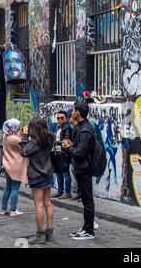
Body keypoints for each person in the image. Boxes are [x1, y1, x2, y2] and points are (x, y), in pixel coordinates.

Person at [62, 101, 96, 240]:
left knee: (87, 200)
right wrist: (72, 145)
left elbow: (80, 153)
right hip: (81, 168)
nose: (72, 112)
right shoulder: (83, 127)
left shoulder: (85, 130)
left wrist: (68, 148)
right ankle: (86, 227)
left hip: (84, 169)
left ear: (78, 113)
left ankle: (89, 231)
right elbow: (80, 147)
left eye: (74, 109)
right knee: (86, 200)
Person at [19, 117, 55, 244]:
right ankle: (49, 231)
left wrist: (24, 136)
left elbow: (23, 152)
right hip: (48, 173)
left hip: (36, 175)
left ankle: (40, 234)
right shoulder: (50, 138)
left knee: (39, 205)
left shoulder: (34, 143)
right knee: (48, 203)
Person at [0, 119, 27, 216]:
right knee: (15, 188)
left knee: (8, 187)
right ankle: (13, 210)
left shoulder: (5, 136)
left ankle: (3, 209)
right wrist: (25, 134)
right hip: (16, 165)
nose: (19, 127)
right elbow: (25, 145)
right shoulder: (15, 139)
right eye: (18, 126)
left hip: (7, 164)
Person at [51, 110, 72, 199]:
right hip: (57, 152)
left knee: (65, 172)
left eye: (61, 118)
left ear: (66, 119)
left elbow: (66, 140)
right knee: (58, 172)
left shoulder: (67, 128)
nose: (59, 119)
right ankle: (60, 191)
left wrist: (56, 142)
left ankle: (67, 192)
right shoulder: (59, 127)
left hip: (64, 153)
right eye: (58, 118)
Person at [69, 116, 81, 201]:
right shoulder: (74, 128)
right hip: (75, 154)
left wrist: (71, 146)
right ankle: (80, 193)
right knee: (76, 175)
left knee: (80, 177)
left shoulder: (78, 128)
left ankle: (82, 194)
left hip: (78, 155)